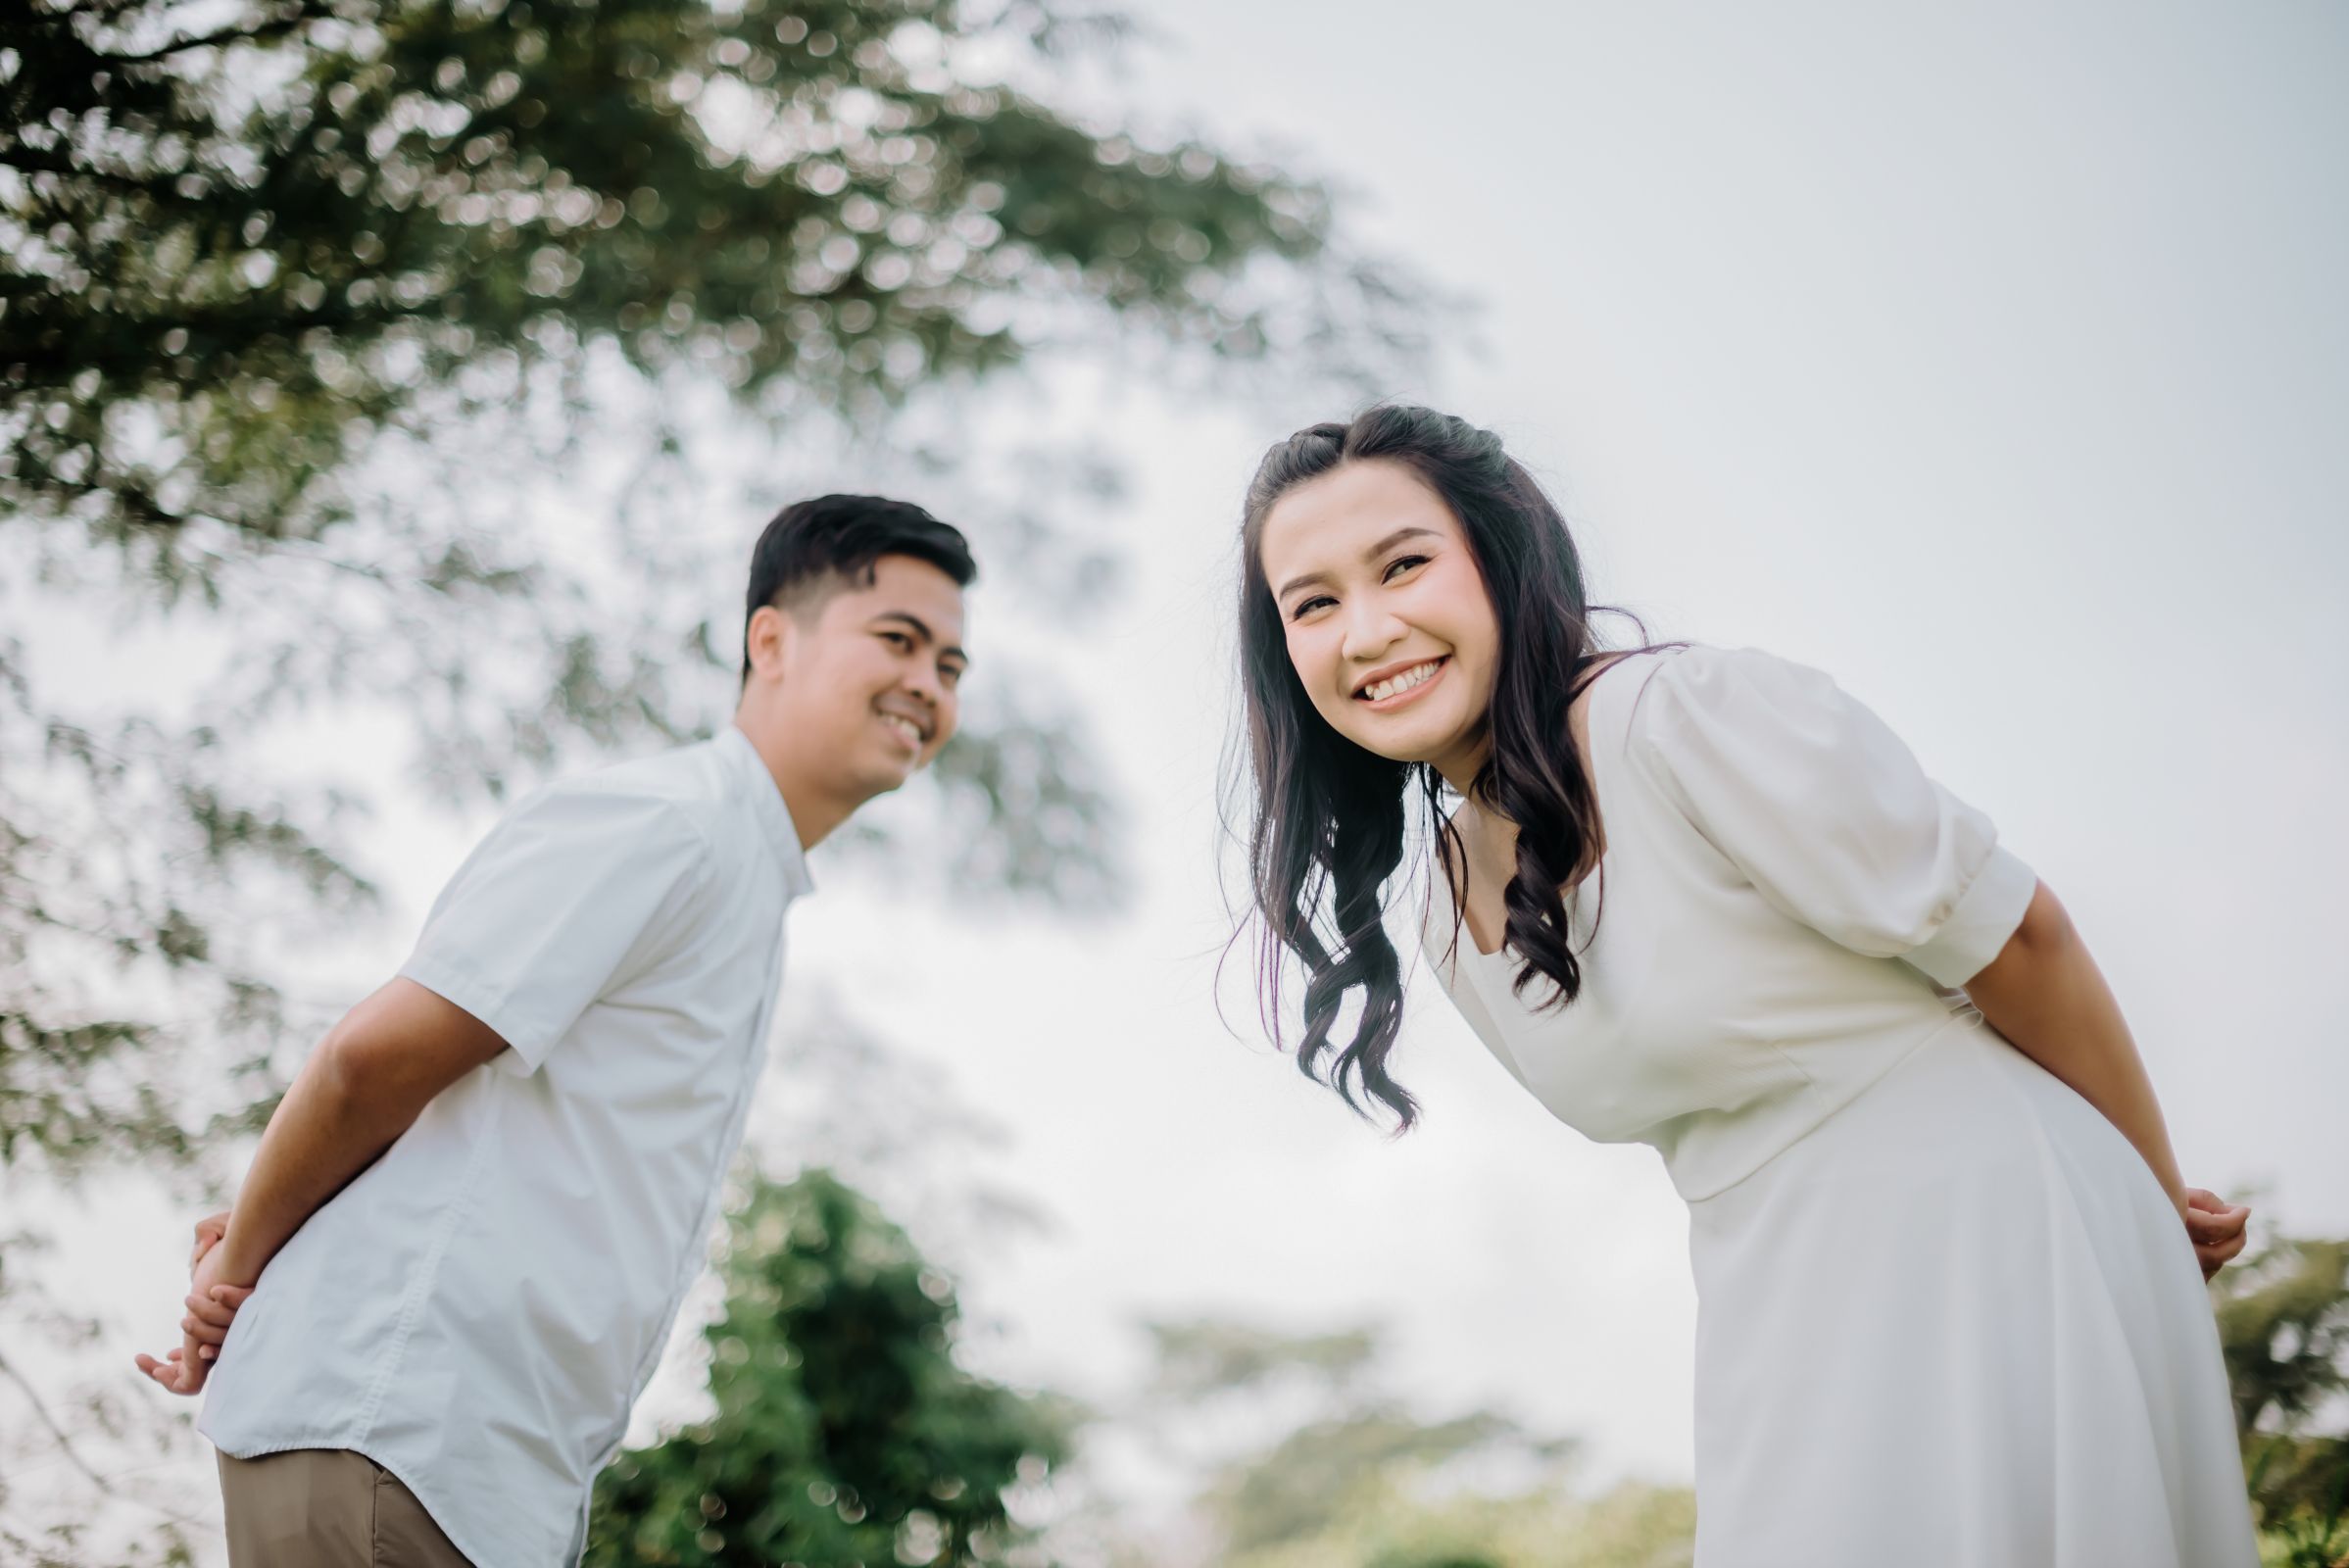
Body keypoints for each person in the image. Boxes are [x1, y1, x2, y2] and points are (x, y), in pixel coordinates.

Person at [1233, 405, 2261, 1567]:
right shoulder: (1445, 902)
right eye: (1313, 604)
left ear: (1500, 554)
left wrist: (2156, 1204)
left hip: (1998, 1236)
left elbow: (2020, 938)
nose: (1368, 631)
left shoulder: (1680, 716)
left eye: (1404, 565)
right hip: (1777, 1309)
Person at [134, 495, 975, 1568]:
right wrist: (234, 1272)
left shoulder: (745, 876)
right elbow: (371, 1059)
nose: (927, 683)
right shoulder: (673, 824)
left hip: (472, 1476)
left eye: (951, 665)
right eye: (898, 639)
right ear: (771, 641)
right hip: (399, 1430)